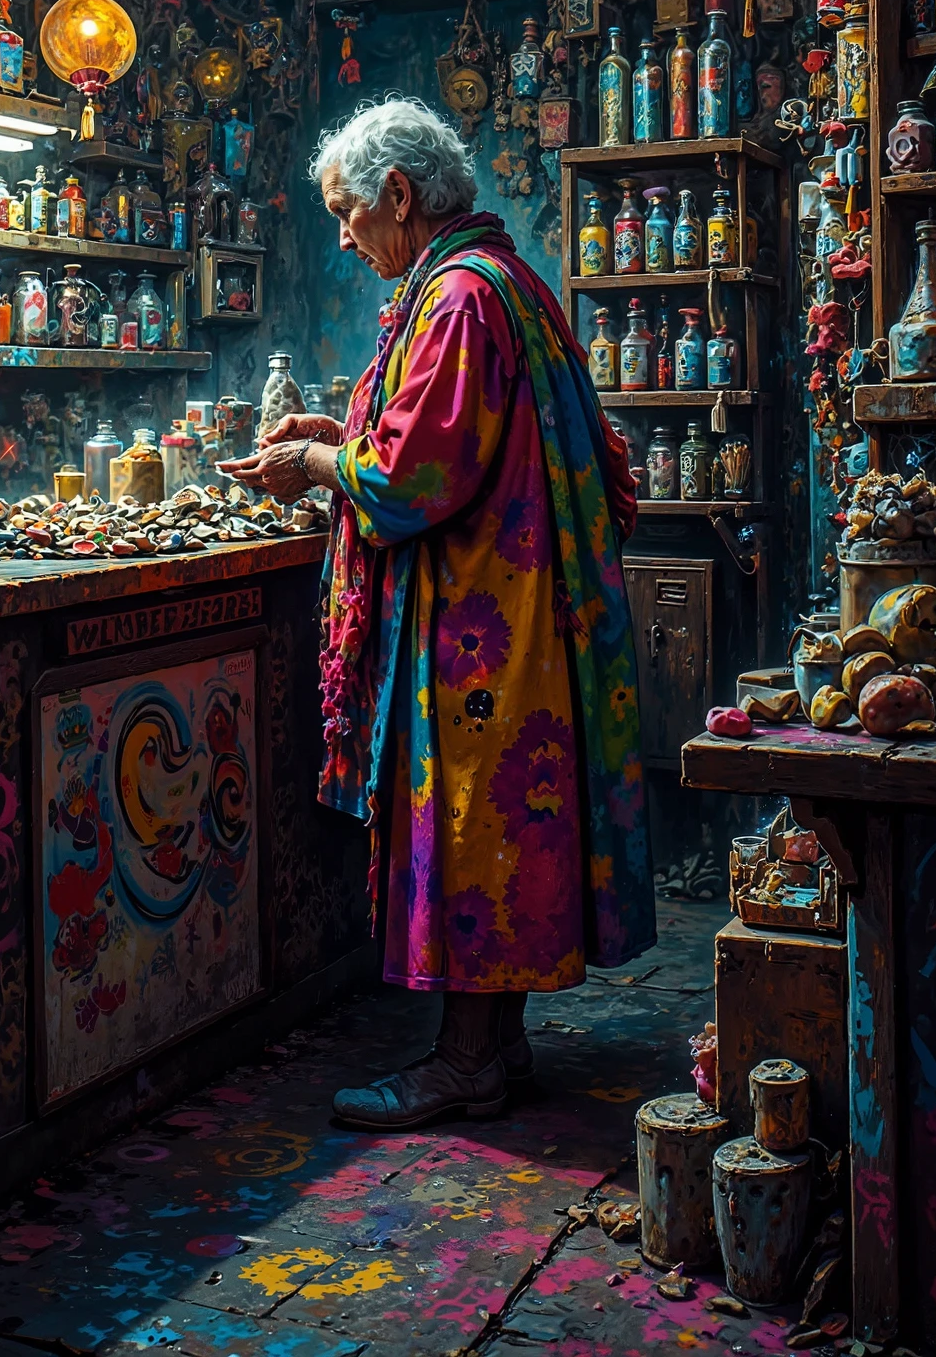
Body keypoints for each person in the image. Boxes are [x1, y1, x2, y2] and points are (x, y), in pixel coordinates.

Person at [222, 97, 652, 1128]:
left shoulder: (457, 295)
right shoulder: (498, 278)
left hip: (482, 624)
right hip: (516, 608)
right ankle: (494, 1046)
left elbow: (412, 478)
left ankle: (464, 1062)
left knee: (475, 827)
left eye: (347, 213)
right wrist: (342, 434)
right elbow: (441, 434)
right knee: (500, 825)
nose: (343, 237)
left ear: (400, 195)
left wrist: (315, 461)